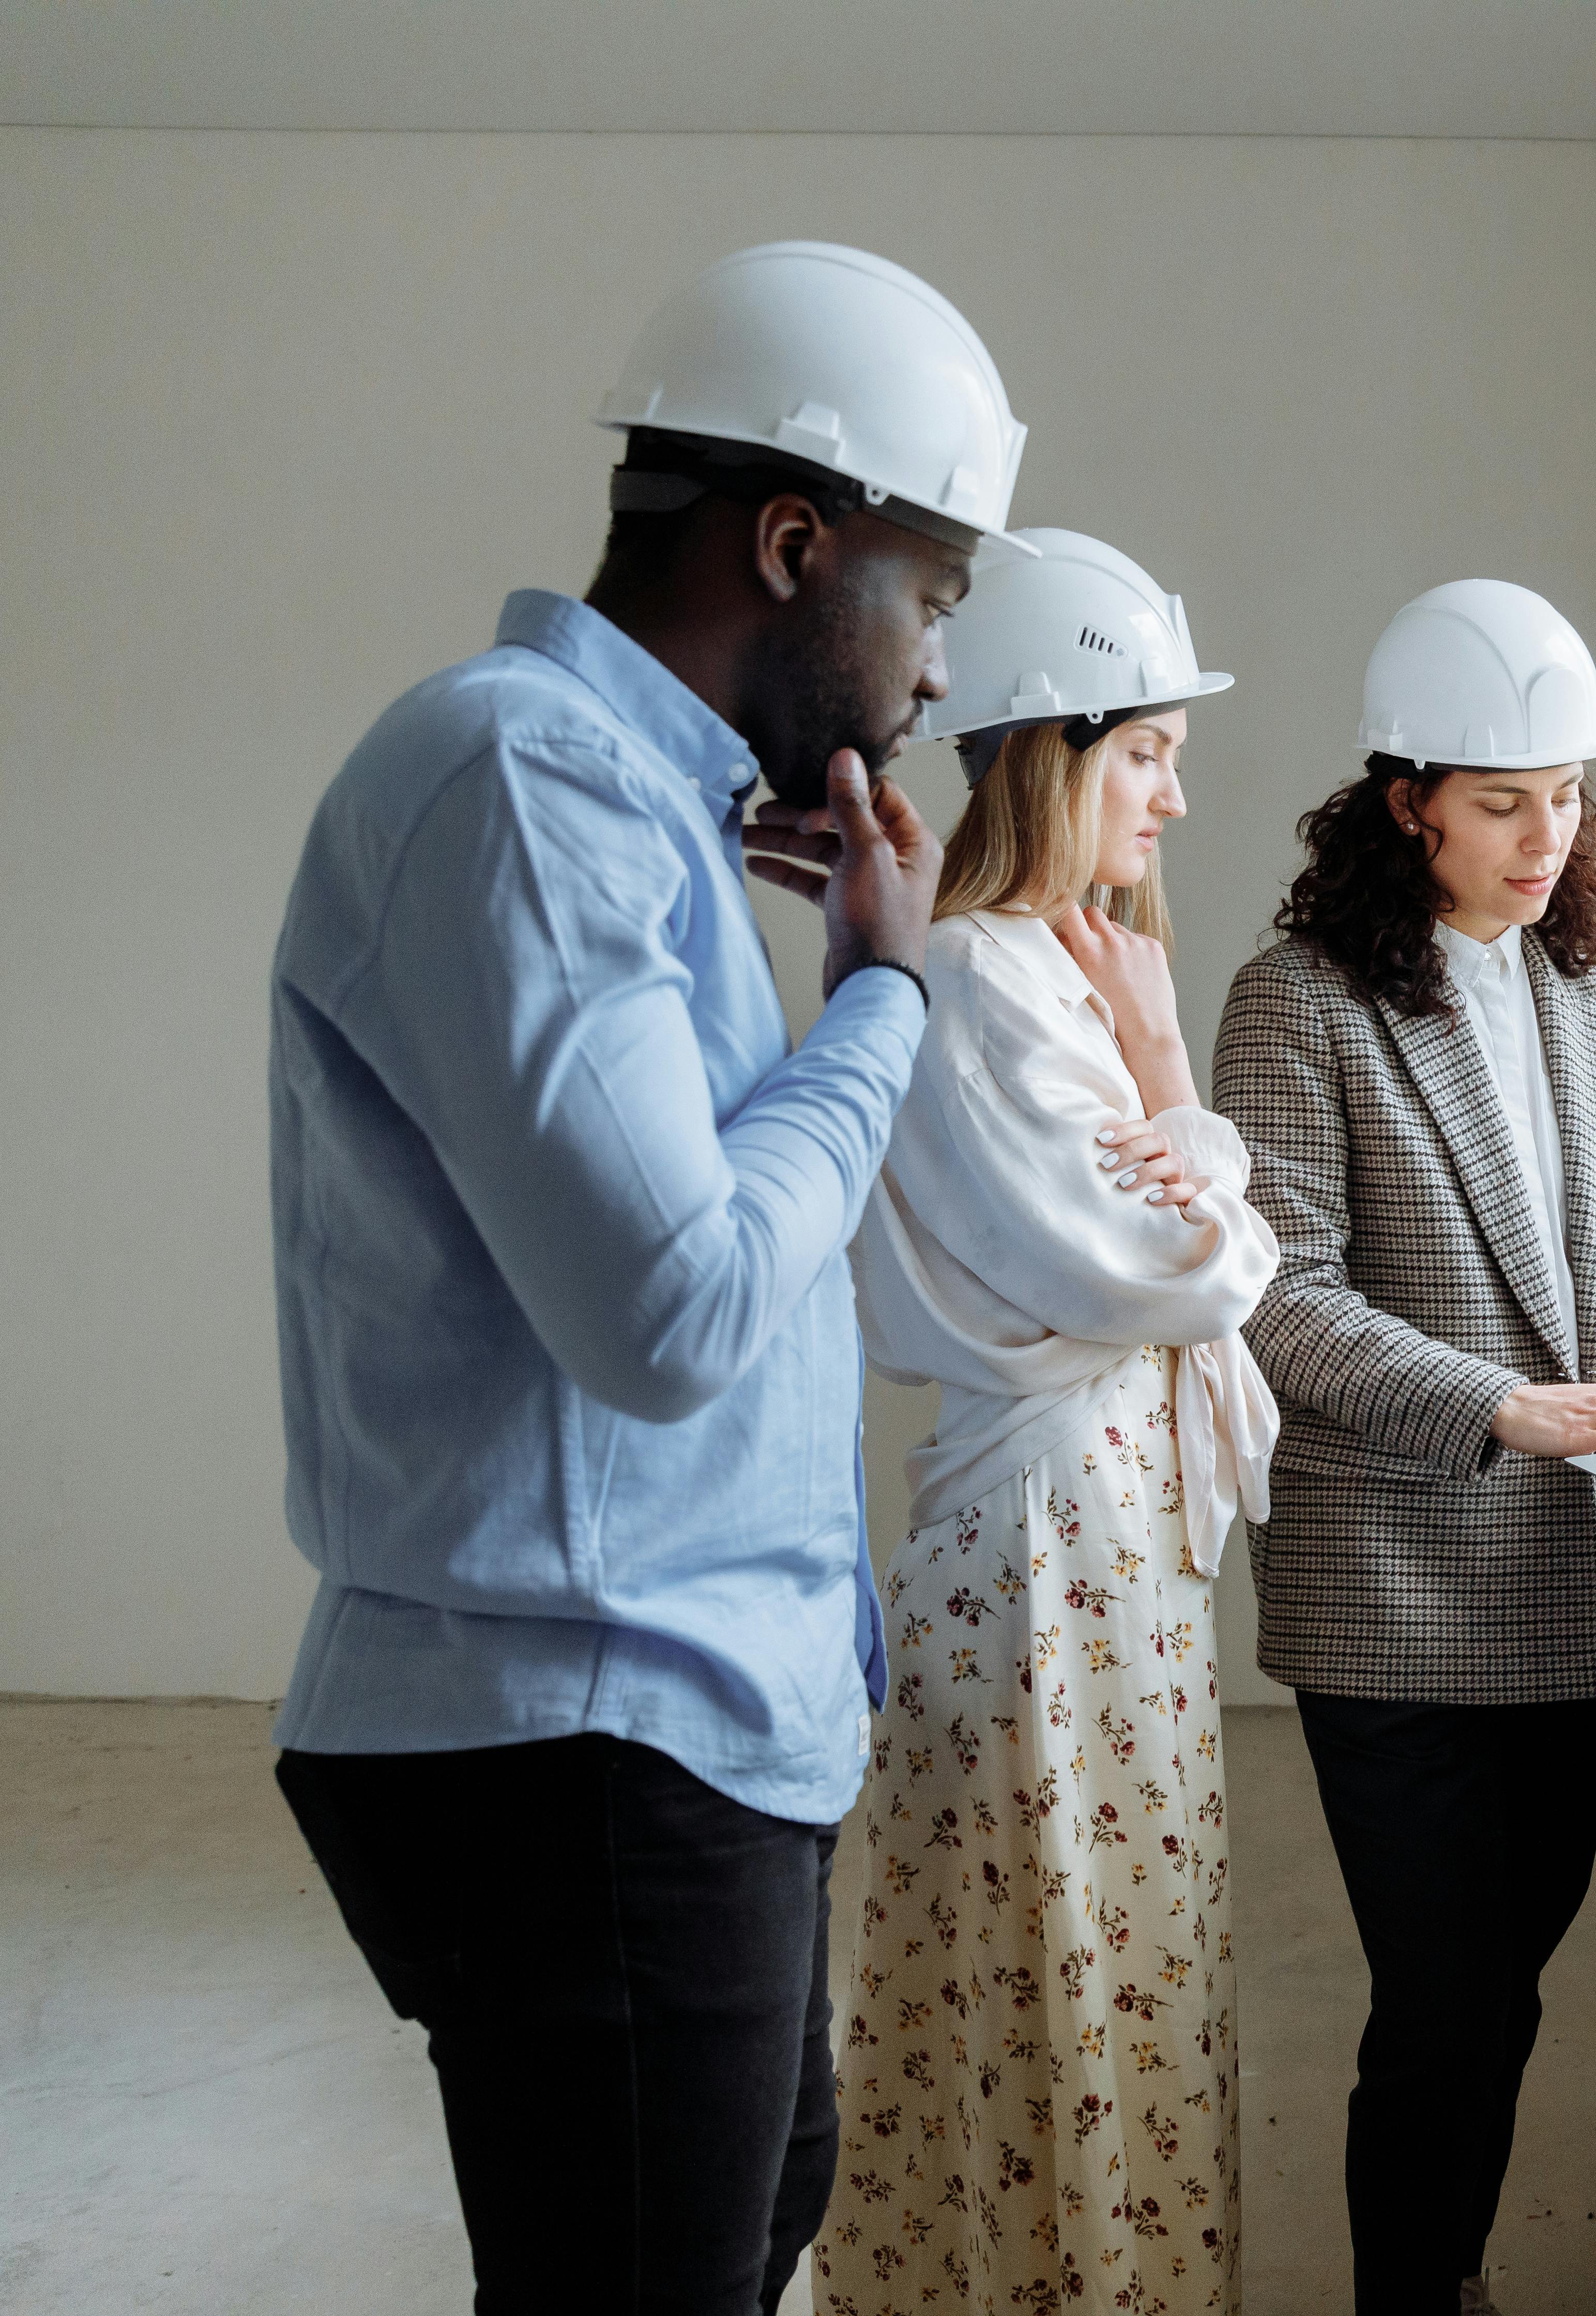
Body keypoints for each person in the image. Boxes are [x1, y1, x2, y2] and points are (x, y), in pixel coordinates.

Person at [263, 242, 1023, 2316]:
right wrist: (876, 1001)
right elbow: (676, 1311)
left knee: (749, 2222)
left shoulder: (637, 814)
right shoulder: (518, 778)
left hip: (672, 1731)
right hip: (579, 1745)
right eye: (932, 596)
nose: (940, 674)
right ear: (795, 544)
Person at [1211, 580, 1596, 2315]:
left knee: (1504, 1996)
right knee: (1442, 2002)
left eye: (1564, 796)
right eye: (1500, 802)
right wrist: (1497, 1406)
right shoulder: (1297, 1001)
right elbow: (1283, 1301)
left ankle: (1447, 2275)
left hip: (1571, 1596)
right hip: (1396, 1598)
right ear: (1406, 803)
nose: (1545, 836)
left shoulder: (1587, 1008)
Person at [824, 529, 1277, 2316]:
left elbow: (1194, 1250)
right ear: (1052, 749)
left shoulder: (1027, 968)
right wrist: (1181, 1096)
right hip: (1049, 1554)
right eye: (1148, 754)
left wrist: (1198, 1154)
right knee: (1056, 1971)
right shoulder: (994, 983)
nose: (1172, 796)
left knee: (1095, 1966)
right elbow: (1176, 1270)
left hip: (1085, 1542)